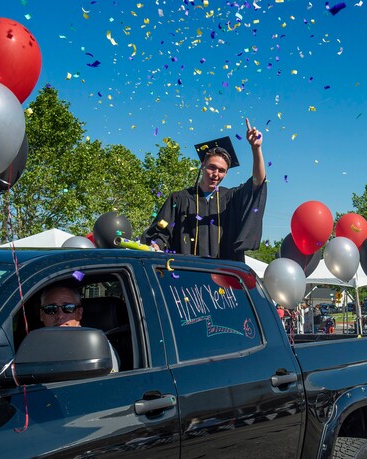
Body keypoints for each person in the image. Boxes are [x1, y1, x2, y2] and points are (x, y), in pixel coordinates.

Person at [142, 119, 267, 262]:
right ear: (202, 166)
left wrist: (256, 148)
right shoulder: (179, 199)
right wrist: (156, 245)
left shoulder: (231, 198)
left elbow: (258, 182)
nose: (216, 174)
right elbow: (161, 233)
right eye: (212, 167)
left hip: (224, 276)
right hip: (186, 274)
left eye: (221, 170)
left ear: (226, 173)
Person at [39, 284, 119, 372]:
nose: (60, 315)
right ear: (42, 315)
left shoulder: (96, 345)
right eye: (51, 309)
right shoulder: (32, 346)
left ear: (80, 313)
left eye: (68, 308)